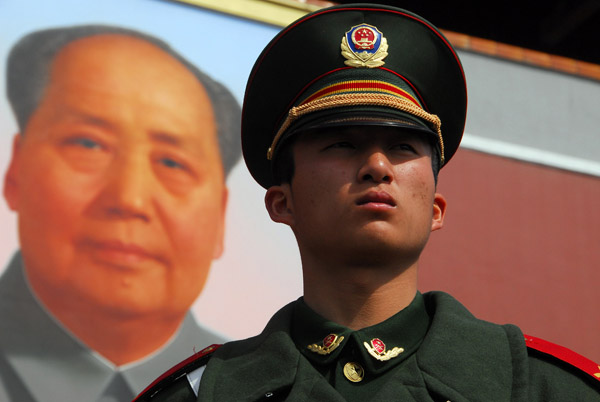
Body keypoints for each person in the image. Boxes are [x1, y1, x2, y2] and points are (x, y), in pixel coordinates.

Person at [135, 4, 600, 401]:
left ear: (436, 209)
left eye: (402, 148)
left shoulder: (543, 389)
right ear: (281, 203)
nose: (377, 166)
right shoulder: (203, 394)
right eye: (341, 144)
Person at [0, 25, 241, 402]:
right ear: (15, 171)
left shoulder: (268, 388)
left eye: (172, 163)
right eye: (88, 144)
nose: (130, 199)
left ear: (221, 219)